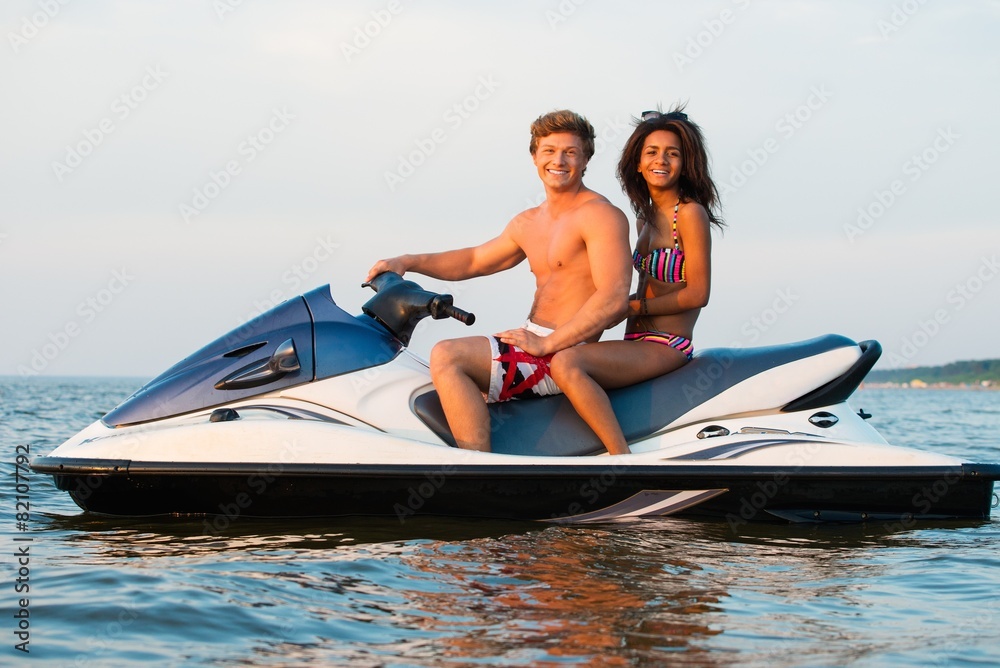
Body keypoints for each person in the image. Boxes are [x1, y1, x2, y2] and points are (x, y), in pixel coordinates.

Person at [366, 110, 632, 452]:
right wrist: (407, 261)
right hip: (533, 341)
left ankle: (475, 470)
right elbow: (475, 260)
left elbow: (613, 297)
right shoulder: (528, 222)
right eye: (549, 151)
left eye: (570, 152)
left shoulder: (600, 216)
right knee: (420, 381)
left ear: (585, 159)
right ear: (535, 156)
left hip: (567, 350)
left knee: (448, 355)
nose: (559, 160)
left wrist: (548, 345)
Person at [548, 107, 726, 455]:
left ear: (685, 163)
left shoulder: (689, 214)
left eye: (673, 154)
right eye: (652, 152)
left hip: (667, 344)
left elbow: (698, 294)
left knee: (567, 363)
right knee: (557, 351)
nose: (662, 160)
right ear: (639, 163)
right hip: (635, 340)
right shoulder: (644, 218)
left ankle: (622, 460)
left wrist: (635, 306)